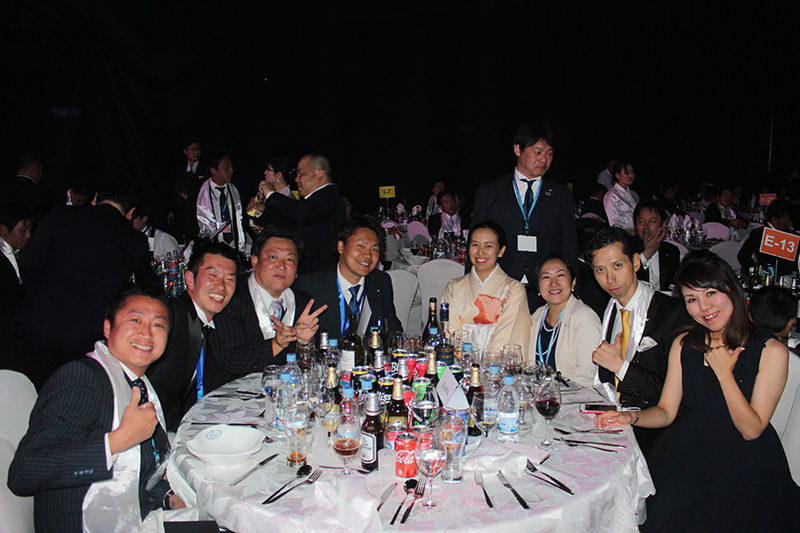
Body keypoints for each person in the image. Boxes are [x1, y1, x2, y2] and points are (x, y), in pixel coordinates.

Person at [595, 250, 800, 532]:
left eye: (711, 293)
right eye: (692, 299)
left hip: (746, 463)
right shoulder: (684, 343)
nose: (704, 307)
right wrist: (632, 417)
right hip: (692, 453)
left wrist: (724, 374)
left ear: (732, 289)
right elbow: (666, 411)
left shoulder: (771, 350)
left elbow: (751, 429)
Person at [9, 287, 188, 532]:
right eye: (135, 320)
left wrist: (170, 498)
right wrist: (118, 440)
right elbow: (24, 473)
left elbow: (140, 471)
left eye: (158, 325)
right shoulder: (83, 378)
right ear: (107, 327)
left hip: (139, 516)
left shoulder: (139, 386)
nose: (146, 333)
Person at [15, 186, 159, 390]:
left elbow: (27, 263)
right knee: (76, 396)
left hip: (40, 323)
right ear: (130, 212)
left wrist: (43, 293)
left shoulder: (61, 215)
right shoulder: (133, 238)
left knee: (34, 395)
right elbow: (149, 288)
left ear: (95, 199)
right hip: (88, 331)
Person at [587, 225, 691, 475]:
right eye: (600, 270)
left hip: (657, 438)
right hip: (613, 424)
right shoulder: (608, 309)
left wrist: (620, 367)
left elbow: (675, 394)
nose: (609, 279)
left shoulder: (672, 314)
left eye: (617, 266)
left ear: (635, 262)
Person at [471, 120, 578, 312]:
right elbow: (475, 243)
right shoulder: (490, 192)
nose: (544, 160)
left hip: (544, 293)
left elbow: (568, 245)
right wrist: (471, 287)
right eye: (538, 152)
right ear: (518, 149)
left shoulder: (561, 196)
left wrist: (572, 292)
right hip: (498, 290)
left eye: (549, 153)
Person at [209, 226, 325, 387]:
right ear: (255, 262)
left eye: (290, 260)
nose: (281, 266)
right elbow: (231, 360)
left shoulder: (304, 302)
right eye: (273, 257)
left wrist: (304, 344)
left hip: (287, 392)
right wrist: (276, 344)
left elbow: (315, 363)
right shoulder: (231, 296)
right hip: (231, 392)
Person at [146, 242, 240, 431]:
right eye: (212, 275)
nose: (221, 286)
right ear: (189, 278)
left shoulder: (203, 322)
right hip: (151, 427)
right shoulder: (171, 317)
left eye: (229, 279)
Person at [294, 214, 402, 344]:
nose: (368, 255)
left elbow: (392, 329)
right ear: (341, 247)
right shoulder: (309, 286)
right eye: (361, 246)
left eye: (374, 249)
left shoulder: (381, 282)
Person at [441, 221, 530, 358]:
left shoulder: (514, 290)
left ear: (501, 251)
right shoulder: (454, 287)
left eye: (488, 246)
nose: (480, 252)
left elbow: (508, 335)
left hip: (497, 365)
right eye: (475, 245)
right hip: (460, 364)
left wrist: (489, 362)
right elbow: (449, 332)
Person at [255, 153, 346, 274]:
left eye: (301, 174)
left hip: (321, 275)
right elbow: (291, 225)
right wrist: (262, 213)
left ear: (320, 174)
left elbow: (302, 214)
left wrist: (271, 194)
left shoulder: (329, 195)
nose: (296, 179)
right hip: (311, 273)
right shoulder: (313, 202)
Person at [528, 253, 600, 387]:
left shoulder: (584, 317)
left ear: (573, 282)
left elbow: (585, 375)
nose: (553, 283)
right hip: (539, 395)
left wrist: (550, 390)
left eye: (560, 275)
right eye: (546, 277)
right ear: (538, 286)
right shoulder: (536, 316)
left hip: (574, 396)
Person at [189, 150, 246, 253]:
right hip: (210, 249)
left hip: (235, 249)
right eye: (226, 167)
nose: (231, 170)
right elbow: (191, 225)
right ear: (213, 170)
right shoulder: (198, 193)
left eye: (231, 166)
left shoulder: (238, 191)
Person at [0, 203, 32, 370]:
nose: (28, 235)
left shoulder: (22, 255)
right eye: (23, 230)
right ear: (4, 230)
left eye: (29, 230)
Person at [738, 199, 796, 279]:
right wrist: (757, 272)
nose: (789, 223)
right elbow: (743, 256)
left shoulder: (790, 234)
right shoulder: (760, 234)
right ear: (774, 219)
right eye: (785, 220)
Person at [634, 199, 681, 291]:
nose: (646, 227)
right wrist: (646, 255)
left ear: (663, 225)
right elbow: (625, 278)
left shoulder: (671, 251)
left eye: (652, 221)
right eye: (641, 221)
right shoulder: (627, 248)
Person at [603, 160, 639, 231]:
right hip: (624, 232)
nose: (631, 176)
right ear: (617, 175)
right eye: (627, 173)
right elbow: (613, 222)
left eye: (632, 172)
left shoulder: (633, 194)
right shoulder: (612, 196)